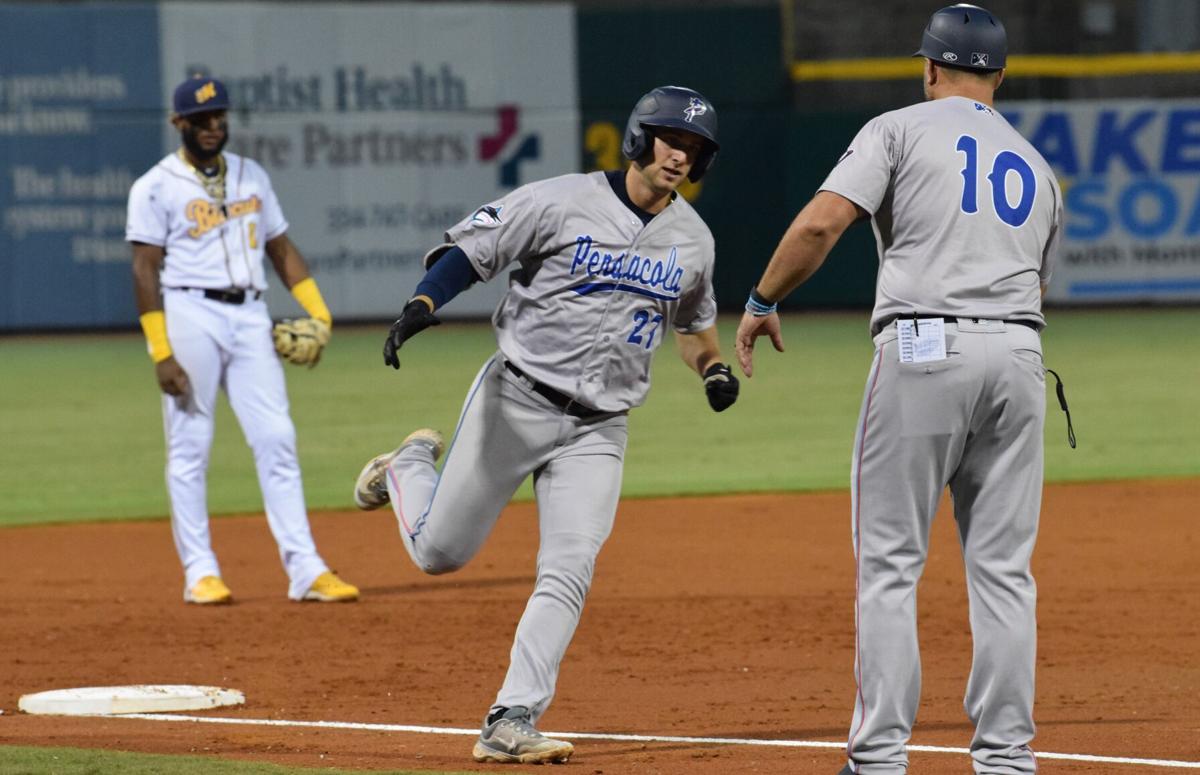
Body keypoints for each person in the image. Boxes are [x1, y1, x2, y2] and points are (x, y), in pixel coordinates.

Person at [353, 85, 740, 764]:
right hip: (517, 399)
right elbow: (471, 251)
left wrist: (711, 368)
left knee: (569, 567)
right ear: (639, 136)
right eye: (670, 139)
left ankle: (512, 715)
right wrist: (423, 300)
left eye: (695, 148)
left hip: (601, 428)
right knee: (439, 552)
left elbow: (695, 329)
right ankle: (407, 465)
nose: (680, 155)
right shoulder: (561, 200)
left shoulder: (693, 241)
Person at [735, 6, 1062, 774]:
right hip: (1019, 354)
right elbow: (1039, 286)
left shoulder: (899, 128)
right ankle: (1008, 758)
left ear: (929, 68)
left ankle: (880, 755)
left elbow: (822, 224)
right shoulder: (1038, 166)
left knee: (889, 563)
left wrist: (759, 301)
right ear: (999, 77)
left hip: (924, 347)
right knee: (1005, 570)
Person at [127, 75, 358, 605]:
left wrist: (318, 314)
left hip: (250, 313)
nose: (213, 127)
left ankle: (306, 569)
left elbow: (279, 247)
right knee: (190, 446)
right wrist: (161, 350)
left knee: (276, 437)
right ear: (178, 123)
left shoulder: (251, 175)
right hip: (189, 311)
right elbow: (144, 268)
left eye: (220, 117)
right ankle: (200, 571)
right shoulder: (155, 186)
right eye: (202, 119)